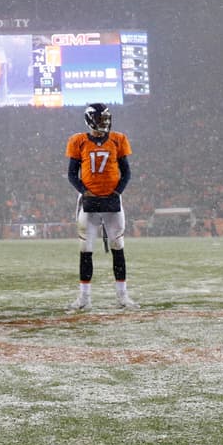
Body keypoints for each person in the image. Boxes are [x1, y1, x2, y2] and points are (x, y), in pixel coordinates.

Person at [66, 103, 138, 310]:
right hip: (90, 202)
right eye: (100, 119)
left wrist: (117, 191)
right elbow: (72, 173)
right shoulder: (78, 141)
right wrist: (83, 190)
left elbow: (127, 172)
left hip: (112, 201)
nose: (105, 123)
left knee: (118, 246)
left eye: (106, 119)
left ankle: (122, 296)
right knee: (86, 249)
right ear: (90, 120)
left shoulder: (118, 139)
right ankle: (84, 298)